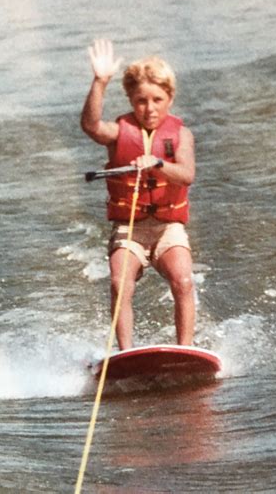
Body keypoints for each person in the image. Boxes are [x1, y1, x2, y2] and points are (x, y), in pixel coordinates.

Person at [81, 39, 196, 350]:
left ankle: (185, 349)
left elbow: (186, 174)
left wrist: (158, 164)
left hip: (167, 229)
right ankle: (126, 353)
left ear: (170, 98)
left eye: (158, 99)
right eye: (141, 101)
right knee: (120, 284)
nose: (150, 109)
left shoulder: (181, 135)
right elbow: (91, 126)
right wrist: (99, 82)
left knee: (183, 282)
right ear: (131, 100)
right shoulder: (119, 134)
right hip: (128, 229)